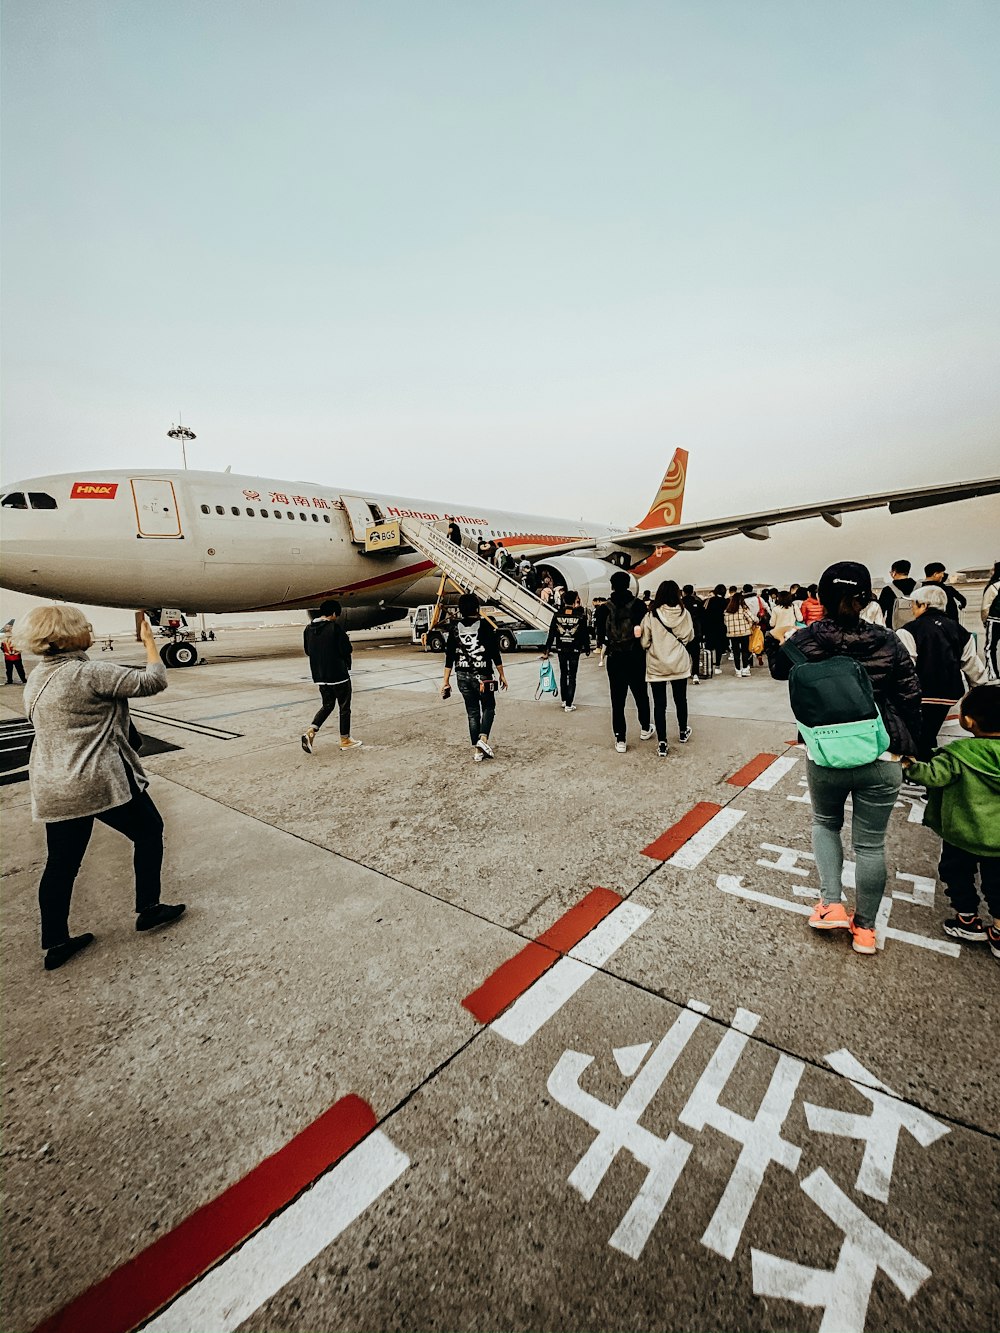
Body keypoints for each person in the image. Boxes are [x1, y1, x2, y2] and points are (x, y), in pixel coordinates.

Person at [768, 562, 922, 956]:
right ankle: (866, 929)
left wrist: (777, 638)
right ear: (868, 597)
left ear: (821, 597)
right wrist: (909, 748)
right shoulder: (888, 641)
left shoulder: (808, 639)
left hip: (826, 750)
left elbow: (777, 670)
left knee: (825, 824)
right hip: (881, 750)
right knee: (871, 846)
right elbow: (910, 695)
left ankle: (831, 904)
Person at [19, 604, 185, 972]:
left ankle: (57, 942)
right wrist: (149, 644)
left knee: (61, 864)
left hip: (54, 784)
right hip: (98, 780)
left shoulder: (36, 678)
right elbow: (154, 680)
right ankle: (148, 908)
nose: (90, 629)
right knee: (149, 831)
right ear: (69, 635)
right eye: (85, 626)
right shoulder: (89, 672)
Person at [903, 684, 1000, 957]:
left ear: (967, 721)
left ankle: (967, 919)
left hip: (962, 834)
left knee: (957, 873)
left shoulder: (959, 754)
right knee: (997, 883)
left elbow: (932, 776)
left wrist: (908, 765)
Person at [895, 584, 986, 758]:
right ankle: (929, 757)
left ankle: (922, 764)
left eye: (914, 604)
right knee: (929, 732)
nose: (912, 608)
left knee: (918, 735)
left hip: (919, 694)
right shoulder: (961, 631)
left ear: (924, 605)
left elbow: (906, 666)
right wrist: (980, 691)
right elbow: (972, 664)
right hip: (948, 694)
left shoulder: (908, 630)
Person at [441, 593, 507, 761]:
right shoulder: (485, 626)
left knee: (472, 712)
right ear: (477, 608)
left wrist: (445, 681)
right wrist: (501, 674)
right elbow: (494, 653)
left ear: (460, 610)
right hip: (483, 674)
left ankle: (477, 752)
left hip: (462, 675)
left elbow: (449, 657)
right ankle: (482, 740)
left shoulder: (454, 628)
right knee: (489, 707)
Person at [301, 600, 361, 754]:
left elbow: (308, 651)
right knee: (344, 707)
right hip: (338, 675)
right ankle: (345, 739)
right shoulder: (335, 629)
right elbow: (346, 649)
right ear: (334, 613)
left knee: (328, 705)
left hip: (320, 676)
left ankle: (311, 731)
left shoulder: (308, 629)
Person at [641, 580, 693, 756]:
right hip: (679, 661)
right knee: (681, 699)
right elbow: (689, 636)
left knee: (659, 704)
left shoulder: (651, 615)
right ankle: (683, 731)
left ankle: (662, 742)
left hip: (657, 664)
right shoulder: (685, 613)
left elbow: (644, 641)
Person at [602, 570, 653, 753]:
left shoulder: (604, 608)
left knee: (617, 700)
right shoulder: (639, 605)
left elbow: (600, 635)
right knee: (641, 694)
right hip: (635, 656)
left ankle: (620, 738)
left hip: (615, 658)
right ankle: (646, 728)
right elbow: (647, 631)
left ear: (612, 586)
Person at [543, 588, 590, 711]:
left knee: (563, 673)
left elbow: (551, 633)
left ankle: (564, 700)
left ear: (563, 600)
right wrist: (587, 647)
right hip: (574, 649)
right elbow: (584, 634)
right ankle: (569, 704)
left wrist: (547, 649)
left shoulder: (557, 614)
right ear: (575, 601)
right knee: (572, 675)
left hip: (561, 648)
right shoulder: (580, 616)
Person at [723, 589, 757, 677]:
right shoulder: (743, 609)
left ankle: (738, 670)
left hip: (732, 634)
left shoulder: (727, 611)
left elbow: (725, 623)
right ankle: (745, 669)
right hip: (744, 633)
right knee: (745, 651)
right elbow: (752, 619)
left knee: (736, 652)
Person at [877, 560, 918, 630]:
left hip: (895, 631)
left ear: (894, 572)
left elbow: (880, 612)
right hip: (916, 629)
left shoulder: (888, 590)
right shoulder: (919, 588)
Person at [681, 585, 705, 683]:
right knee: (695, 654)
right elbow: (703, 618)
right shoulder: (698, 602)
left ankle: (684, 672)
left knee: (683, 654)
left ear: (683, 592)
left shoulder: (680, 603)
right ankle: (695, 674)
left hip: (683, 632)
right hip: (696, 632)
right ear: (692, 591)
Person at [702, 584, 729, 669]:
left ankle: (708, 664)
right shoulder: (725, 602)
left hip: (709, 626)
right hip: (720, 626)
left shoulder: (708, 601)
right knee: (719, 646)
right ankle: (717, 665)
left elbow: (703, 613)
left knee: (709, 645)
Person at [981, 560, 1000, 681]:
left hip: (995, 620)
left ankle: (993, 674)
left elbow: (985, 607)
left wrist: (985, 622)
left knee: (990, 647)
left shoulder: (994, 586)